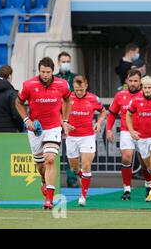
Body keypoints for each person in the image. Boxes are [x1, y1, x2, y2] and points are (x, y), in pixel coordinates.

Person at [15, 57, 72, 209]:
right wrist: (27, 120)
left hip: (53, 128)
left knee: (50, 159)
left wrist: (65, 121)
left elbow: (67, 100)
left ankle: (49, 200)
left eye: (48, 72)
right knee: (41, 166)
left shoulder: (62, 84)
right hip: (36, 130)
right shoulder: (28, 85)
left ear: (52, 71)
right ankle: (43, 180)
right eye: (42, 72)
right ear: (38, 71)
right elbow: (18, 102)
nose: (45, 74)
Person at [65, 75, 107, 207]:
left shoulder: (93, 99)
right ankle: (82, 175)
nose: (79, 92)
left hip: (87, 136)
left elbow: (103, 111)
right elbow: (58, 113)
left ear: (86, 85)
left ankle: (83, 196)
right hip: (71, 137)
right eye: (76, 90)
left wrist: (99, 122)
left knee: (86, 165)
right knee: (74, 168)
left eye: (81, 90)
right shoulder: (67, 98)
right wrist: (64, 123)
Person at [126, 76, 151, 202]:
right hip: (142, 138)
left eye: (149, 87)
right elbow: (128, 115)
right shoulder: (136, 100)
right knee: (149, 168)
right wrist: (131, 131)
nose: (147, 90)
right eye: (145, 88)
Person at [106, 69, 144, 200]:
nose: (133, 83)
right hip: (126, 131)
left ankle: (149, 185)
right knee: (126, 157)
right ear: (127, 81)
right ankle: (127, 189)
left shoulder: (146, 94)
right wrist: (109, 129)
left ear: (140, 82)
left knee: (146, 162)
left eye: (135, 81)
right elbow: (111, 113)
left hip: (144, 132)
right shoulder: (120, 95)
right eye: (131, 80)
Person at [55, 51, 80, 188]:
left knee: (72, 150)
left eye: (68, 61)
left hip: (72, 117)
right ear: (58, 62)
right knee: (53, 148)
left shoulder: (76, 78)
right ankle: (50, 178)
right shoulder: (54, 78)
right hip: (55, 116)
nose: (66, 64)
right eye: (63, 61)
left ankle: (72, 178)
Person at [0, 65, 23, 132]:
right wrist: (20, 129)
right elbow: (17, 116)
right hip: (10, 133)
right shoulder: (12, 94)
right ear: (9, 76)